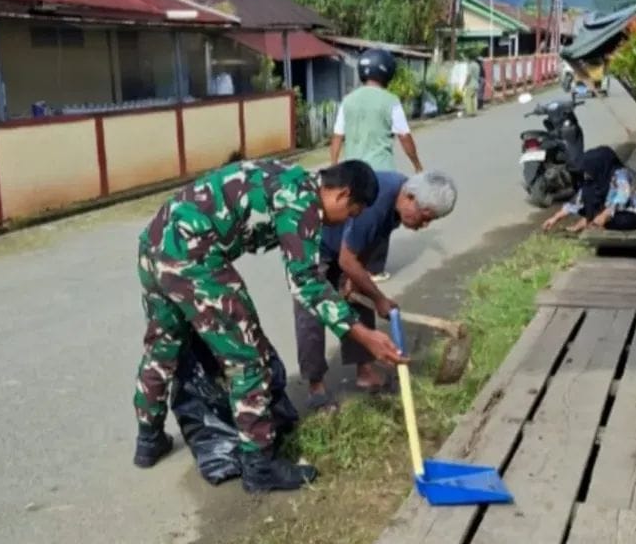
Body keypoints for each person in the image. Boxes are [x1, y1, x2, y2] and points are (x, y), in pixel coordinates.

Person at [132, 158, 406, 494]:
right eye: (351, 213)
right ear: (342, 194)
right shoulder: (301, 201)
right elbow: (306, 282)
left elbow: (263, 231)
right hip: (194, 258)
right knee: (247, 358)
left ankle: (149, 439)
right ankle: (260, 466)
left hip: (155, 243)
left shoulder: (288, 178)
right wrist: (363, 334)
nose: (346, 222)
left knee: (163, 346)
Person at [294, 171, 458, 411]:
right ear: (410, 197)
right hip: (314, 243)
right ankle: (316, 387)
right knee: (312, 309)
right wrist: (379, 298)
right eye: (425, 218)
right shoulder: (376, 202)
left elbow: (371, 243)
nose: (425, 226)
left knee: (361, 296)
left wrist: (358, 282)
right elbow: (347, 261)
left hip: (343, 245)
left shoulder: (399, 197)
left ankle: (364, 372)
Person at [330, 48, 424, 284]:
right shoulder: (390, 100)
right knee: (383, 220)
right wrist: (417, 165)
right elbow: (404, 135)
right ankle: (373, 268)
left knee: (353, 216)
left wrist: (334, 166)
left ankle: (348, 261)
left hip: (353, 172)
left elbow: (337, 136)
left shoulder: (348, 100)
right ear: (387, 72)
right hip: (381, 171)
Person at [542, 146, 636, 233]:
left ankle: (591, 222)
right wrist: (555, 218)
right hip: (606, 211)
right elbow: (578, 200)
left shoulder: (620, 175)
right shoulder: (594, 178)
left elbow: (622, 199)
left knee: (623, 221)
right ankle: (590, 221)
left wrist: (604, 216)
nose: (587, 172)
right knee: (588, 190)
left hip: (631, 210)